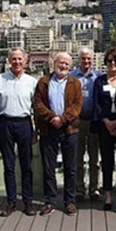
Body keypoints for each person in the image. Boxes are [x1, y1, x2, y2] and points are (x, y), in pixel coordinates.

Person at [0, 47, 38, 216]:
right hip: (5, 123)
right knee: (8, 166)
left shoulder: (32, 82)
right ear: (9, 61)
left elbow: (37, 108)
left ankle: (28, 201)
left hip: (24, 123)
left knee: (26, 166)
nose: (17, 62)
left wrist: (36, 131)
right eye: (14, 59)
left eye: (19, 59)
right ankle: (11, 202)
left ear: (25, 61)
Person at [34, 52, 83, 216]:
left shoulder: (75, 83)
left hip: (69, 129)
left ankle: (70, 201)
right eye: (60, 63)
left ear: (70, 66)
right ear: (54, 63)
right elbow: (38, 104)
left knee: (70, 168)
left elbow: (77, 105)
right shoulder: (43, 82)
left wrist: (62, 118)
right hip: (48, 129)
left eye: (66, 64)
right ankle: (50, 201)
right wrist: (51, 118)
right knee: (49, 167)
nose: (63, 66)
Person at [93, 48, 116, 211]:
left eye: (115, 61)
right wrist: (107, 122)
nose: (112, 64)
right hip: (104, 127)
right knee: (106, 161)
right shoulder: (99, 81)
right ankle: (108, 196)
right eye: (109, 61)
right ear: (105, 63)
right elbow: (96, 104)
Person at [71, 46, 101, 202]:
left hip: (94, 121)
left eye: (89, 58)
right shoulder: (72, 76)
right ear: (79, 59)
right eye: (83, 58)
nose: (86, 61)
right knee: (78, 158)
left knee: (94, 158)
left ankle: (94, 189)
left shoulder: (99, 77)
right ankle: (79, 189)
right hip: (77, 121)